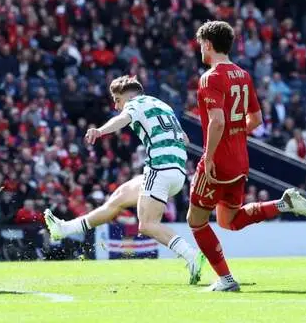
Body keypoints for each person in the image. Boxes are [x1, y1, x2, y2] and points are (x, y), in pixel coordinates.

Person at [187, 21, 306, 292]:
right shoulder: (243, 75)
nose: (200, 49)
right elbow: (256, 119)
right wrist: (236, 135)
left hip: (219, 162)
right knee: (228, 221)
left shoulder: (210, 77)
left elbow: (216, 122)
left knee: (196, 221)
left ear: (209, 45)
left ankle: (226, 279)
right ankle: (282, 204)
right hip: (240, 161)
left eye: (201, 44)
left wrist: (210, 156)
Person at [45, 75, 205, 285]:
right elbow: (184, 138)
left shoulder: (135, 104)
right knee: (119, 196)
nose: (116, 105)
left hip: (160, 168)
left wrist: (100, 131)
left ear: (126, 96)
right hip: (177, 170)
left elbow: (122, 119)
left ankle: (191, 255)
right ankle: (65, 229)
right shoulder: (161, 104)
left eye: (116, 99)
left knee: (147, 225)